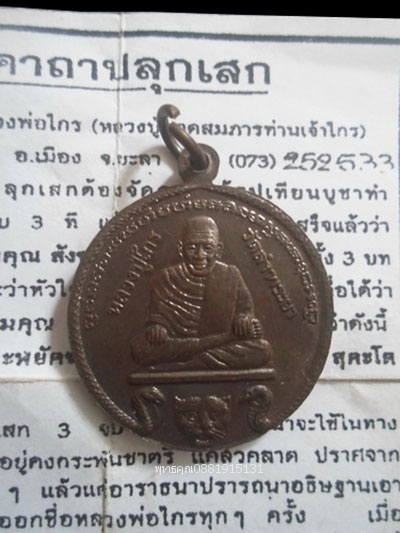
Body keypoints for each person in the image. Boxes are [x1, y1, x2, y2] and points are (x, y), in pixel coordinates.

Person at [130, 216, 272, 371]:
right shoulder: (166, 277)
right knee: (140, 347)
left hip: (198, 350)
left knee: (263, 349)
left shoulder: (230, 274)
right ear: (181, 249)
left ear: (219, 250)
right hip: (187, 344)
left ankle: (183, 366)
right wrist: (157, 329)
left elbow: (245, 309)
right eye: (192, 247)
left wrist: (244, 320)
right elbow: (157, 318)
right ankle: (203, 361)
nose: (200, 255)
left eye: (208, 248)